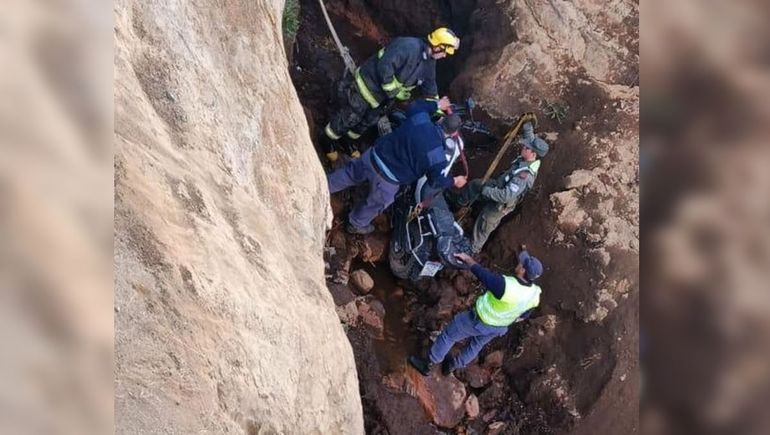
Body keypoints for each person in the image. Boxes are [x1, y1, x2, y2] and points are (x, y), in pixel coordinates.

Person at [328, 98, 467, 234]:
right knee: (373, 205)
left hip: (373, 158)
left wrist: (438, 104)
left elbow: (416, 105)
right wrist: (455, 181)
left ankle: (323, 185)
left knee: (348, 174)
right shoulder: (438, 158)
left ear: (441, 119)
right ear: (453, 134)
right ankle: (355, 224)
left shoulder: (420, 118)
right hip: (387, 183)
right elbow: (436, 181)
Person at [321, 28, 461, 163]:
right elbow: (384, 68)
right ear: (437, 46)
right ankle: (327, 140)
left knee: (365, 122)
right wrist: (395, 92)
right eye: (445, 52)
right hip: (368, 87)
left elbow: (430, 86)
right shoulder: (408, 46)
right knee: (351, 117)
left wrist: (438, 108)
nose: (445, 56)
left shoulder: (430, 63)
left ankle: (348, 141)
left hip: (383, 99)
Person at [408, 247, 543, 376]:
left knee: (449, 334)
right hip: (499, 327)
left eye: (522, 263)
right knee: (476, 345)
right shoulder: (534, 294)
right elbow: (524, 315)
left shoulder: (506, 286)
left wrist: (468, 259)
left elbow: (483, 275)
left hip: (479, 320)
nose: (519, 263)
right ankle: (452, 366)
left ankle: (428, 364)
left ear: (522, 270)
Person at [449, 121, 549, 252]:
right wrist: (527, 125)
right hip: (499, 185)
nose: (523, 147)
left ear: (533, 154)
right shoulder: (529, 154)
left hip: (501, 203)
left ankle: (472, 250)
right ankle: (457, 204)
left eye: (526, 148)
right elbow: (530, 137)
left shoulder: (524, 176)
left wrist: (486, 191)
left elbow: (505, 196)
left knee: (484, 222)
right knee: (475, 185)